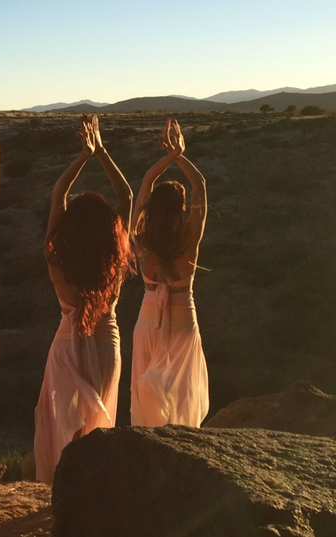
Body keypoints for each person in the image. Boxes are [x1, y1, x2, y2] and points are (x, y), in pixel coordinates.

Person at [33, 114, 134, 485]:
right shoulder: (115, 264)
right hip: (107, 344)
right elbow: (126, 195)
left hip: (65, 348)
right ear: (111, 230)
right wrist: (102, 151)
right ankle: (91, 497)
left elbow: (58, 194)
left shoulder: (56, 259)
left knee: (62, 430)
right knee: (97, 430)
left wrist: (82, 156)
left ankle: (59, 495)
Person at [130, 118, 209, 427]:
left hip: (148, 318)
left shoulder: (141, 238)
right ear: (180, 210)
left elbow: (145, 186)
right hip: (183, 320)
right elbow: (200, 185)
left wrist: (167, 159)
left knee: (146, 396)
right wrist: (180, 154)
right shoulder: (189, 240)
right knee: (183, 395)